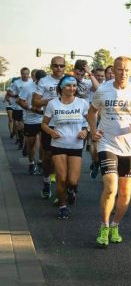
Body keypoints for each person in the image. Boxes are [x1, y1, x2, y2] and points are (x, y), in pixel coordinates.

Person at [88, 56, 131, 248]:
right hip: (107, 144)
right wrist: (93, 130)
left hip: (129, 147)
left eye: (126, 70)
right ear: (113, 71)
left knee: (124, 193)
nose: (123, 73)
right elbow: (92, 112)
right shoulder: (103, 89)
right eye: (119, 69)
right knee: (110, 188)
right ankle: (104, 226)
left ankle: (115, 225)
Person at [41, 75, 90, 219]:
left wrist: (85, 131)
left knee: (73, 181)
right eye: (68, 85)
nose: (72, 88)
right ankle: (62, 206)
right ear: (61, 87)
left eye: (74, 86)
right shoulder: (53, 104)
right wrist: (51, 131)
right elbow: (43, 124)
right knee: (62, 178)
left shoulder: (82, 103)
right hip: (58, 145)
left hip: (76, 145)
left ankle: (71, 191)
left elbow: (91, 122)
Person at [33, 56, 66, 199]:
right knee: (48, 156)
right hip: (49, 124)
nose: (58, 68)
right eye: (55, 65)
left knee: (64, 158)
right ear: (51, 66)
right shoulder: (44, 81)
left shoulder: (69, 80)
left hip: (66, 124)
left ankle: (64, 189)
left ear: (65, 67)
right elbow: (35, 102)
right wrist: (51, 100)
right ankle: (46, 182)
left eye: (61, 66)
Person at [18, 69, 47, 175]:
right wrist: (32, 108)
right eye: (41, 80)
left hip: (45, 120)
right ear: (36, 79)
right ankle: (31, 163)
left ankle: (40, 162)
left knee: (44, 144)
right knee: (31, 144)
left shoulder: (48, 87)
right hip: (31, 120)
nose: (44, 82)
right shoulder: (28, 87)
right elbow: (20, 101)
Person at [8, 67, 33, 151]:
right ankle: (20, 140)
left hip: (28, 107)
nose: (25, 75)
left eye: (26, 74)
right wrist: (15, 96)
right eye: (23, 74)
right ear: (21, 74)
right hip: (18, 106)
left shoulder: (32, 82)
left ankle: (24, 142)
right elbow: (9, 91)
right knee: (18, 125)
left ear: (29, 74)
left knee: (25, 125)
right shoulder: (16, 82)